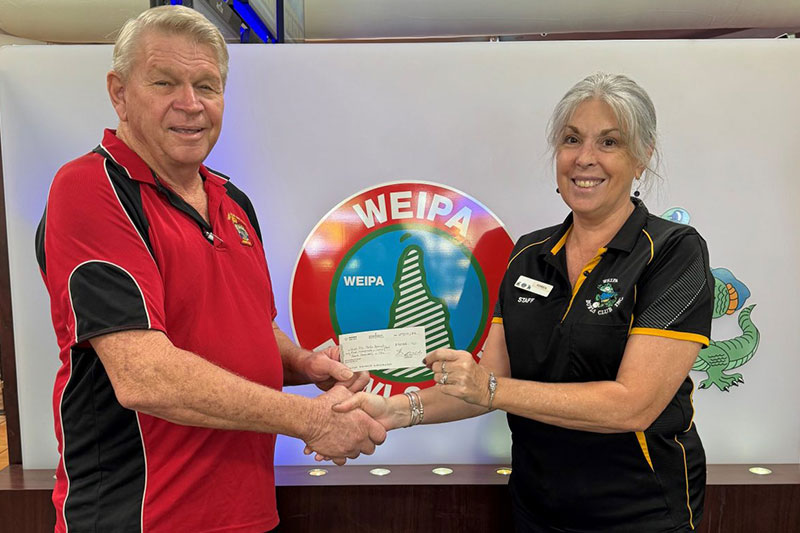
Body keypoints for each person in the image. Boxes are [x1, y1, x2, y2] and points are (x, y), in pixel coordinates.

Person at [35, 6, 384, 532]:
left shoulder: (232, 200)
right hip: (140, 518)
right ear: (119, 93)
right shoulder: (91, 188)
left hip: (248, 514)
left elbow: (252, 330)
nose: (190, 104)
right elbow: (143, 376)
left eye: (207, 86)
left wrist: (304, 364)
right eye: (164, 82)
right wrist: (312, 421)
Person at [330, 73, 713, 532]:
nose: (584, 158)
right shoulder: (529, 254)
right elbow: (487, 381)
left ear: (643, 156)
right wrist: (395, 411)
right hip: (535, 508)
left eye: (609, 142)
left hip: (641, 515)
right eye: (572, 139)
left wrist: (490, 389)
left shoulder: (673, 251)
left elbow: (633, 405)